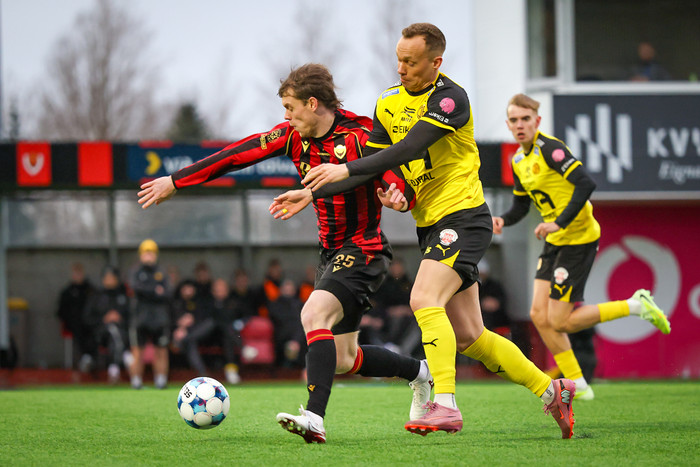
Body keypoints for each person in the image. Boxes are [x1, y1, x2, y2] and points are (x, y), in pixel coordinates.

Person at [300, 23, 576, 438]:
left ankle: (444, 404)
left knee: (423, 298)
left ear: (436, 62)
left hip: (464, 217)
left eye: (411, 62)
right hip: (430, 225)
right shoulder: (388, 101)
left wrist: (343, 168)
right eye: (399, 60)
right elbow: (379, 165)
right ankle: (553, 390)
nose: (401, 69)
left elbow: (410, 147)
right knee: (471, 337)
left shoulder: (451, 98)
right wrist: (320, 191)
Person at [136, 63, 433, 444]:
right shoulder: (293, 136)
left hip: (363, 248)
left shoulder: (360, 136)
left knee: (312, 314)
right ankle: (420, 373)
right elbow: (236, 154)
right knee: (344, 359)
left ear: (313, 103)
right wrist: (177, 180)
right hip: (330, 253)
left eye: (290, 108)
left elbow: (393, 174)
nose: (286, 117)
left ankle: (314, 418)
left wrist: (399, 196)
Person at [491, 93, 671, 400]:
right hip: (555, 240)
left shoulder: (551, 149)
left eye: (526, 119)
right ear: (508, 124)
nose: (520, 125)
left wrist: (558, 223)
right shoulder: (518, 160)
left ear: (537, 121)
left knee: (560, 321)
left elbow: (586, 183)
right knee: (539, 315)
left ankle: (636, 305)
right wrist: (503, 220)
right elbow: (521, 205)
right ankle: (579, 384)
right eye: (514, 120)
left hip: (578, 238)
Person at [128, 239, 171, 389]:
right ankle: (136, 381)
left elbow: (167, 292)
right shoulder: (135, 272)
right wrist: (155, 290)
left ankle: (161, 380)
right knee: (137, 350)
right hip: (140, 318)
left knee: (161, 350)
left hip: (159, 318)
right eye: (146, 253)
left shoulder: (162, 272)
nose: (149, 256)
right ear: (141, 255)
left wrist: (149, 291)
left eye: (151, 253)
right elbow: (136, 288)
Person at [83, 266, 130, 383]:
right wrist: (104, 319)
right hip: (99, 334)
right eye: (107, 278)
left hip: (122, 333)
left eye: (112, 278)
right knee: (112, 329)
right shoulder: (95, 297)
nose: (109, 281)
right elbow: (87, 318)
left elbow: (132, 317)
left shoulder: (124, 296)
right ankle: (124, 354)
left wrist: (119, 318)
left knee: (115, 331)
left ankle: (114, 371)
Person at [56, 262, 95, 372]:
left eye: (79, 273)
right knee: (80, 328)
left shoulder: (90, 290)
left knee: (94, 330)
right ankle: (86, 357)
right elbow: (61, 311)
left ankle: (89, 358)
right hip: (74, 323)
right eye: (75, 274)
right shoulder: (67, 292)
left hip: (90, 322)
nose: (78, 276)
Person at [267, 278, 306, 368]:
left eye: (290, 289)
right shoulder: (275, 305)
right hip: (282, 337)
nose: (288, 291)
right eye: (286, 289)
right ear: (281, 290)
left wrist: (296, 340)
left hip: (299, 337)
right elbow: (280, 321)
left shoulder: (300, 304)